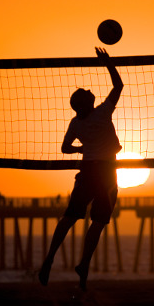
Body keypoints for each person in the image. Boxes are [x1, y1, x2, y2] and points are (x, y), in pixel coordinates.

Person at [38, 47, 123, 291]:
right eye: (85, 92)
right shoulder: (103, 112)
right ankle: (84, 263)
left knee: (70, 216)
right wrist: (107, 63)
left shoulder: (76, 123)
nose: (88, 90)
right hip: (106, 172)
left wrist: (81, 150)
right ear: (85, 103)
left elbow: (64, 148)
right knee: (98, 221)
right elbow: (118, 86)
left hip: (87, 171)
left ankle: (50, 258)